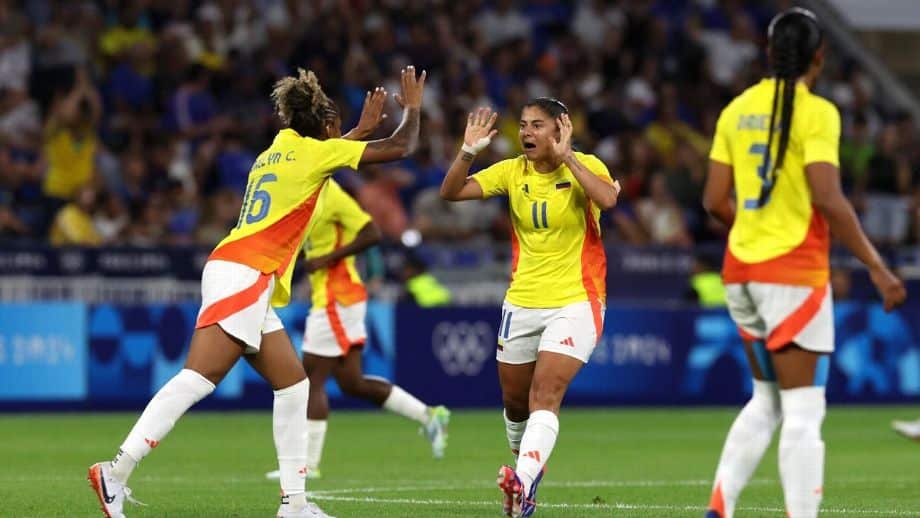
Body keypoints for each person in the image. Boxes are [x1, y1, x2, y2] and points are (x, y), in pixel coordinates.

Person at [87, 65, 427, 518]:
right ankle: (116, 471)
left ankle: (295, 504)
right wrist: (413, 108)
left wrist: (354, 133)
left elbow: (317, 158)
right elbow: (402, 146)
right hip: (247, 272)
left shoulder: (276, 150)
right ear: (325, 127)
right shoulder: (317, 153)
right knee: (197, 379)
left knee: (294, 386)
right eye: (335, 124)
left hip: (240, 269)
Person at [701, 9, 906, 518]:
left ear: (769, 53)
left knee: (767, 399)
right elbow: (828, 197)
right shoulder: (818, 113)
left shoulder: (736, 110)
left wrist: (753, 229)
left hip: (741, 273)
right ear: (820, 56)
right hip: (793, 275)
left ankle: (719, 509)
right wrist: (876, 266)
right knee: (804, 409)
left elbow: (713, 201)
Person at [440, 99, 620, 518]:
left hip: (576, 300)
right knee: (516, 404)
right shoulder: (512, 171)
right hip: (521, 301)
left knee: (545, 394)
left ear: (560, 129)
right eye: (523, 125)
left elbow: (609, 199)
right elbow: (450, 192)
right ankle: (526, 478)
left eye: (537, 125)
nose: (526, 133)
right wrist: (467, 151)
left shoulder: (585, 164)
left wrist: (569, 158)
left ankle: (520, 483)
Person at [264, 177, 450, 482]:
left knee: (311, 380)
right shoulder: (308, 195)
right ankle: (429, 415)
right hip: (338, 299)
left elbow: (372, 233)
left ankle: (307, 465)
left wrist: (326, 258)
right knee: (352, 383)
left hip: (336, 298)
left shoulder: (333, 195)